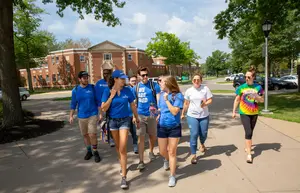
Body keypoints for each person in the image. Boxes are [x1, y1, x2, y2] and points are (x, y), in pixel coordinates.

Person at [101, 70, 140, 189]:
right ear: (116, 79)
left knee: (123, 147)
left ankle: (124, 177)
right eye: (122, 78)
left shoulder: (127, 90)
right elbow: (103, 108)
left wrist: (136, 118)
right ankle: (122, 164)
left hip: (124, 121)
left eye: (125, 78)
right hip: (113, 122)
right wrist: (112, 96)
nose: (124, 80)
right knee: (118, 147)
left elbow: (133, 105)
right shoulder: (107, 91)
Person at [232, 66, 264, 163]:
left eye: (249, 77)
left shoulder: (258, 87)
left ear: (253, 77)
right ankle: (249, 154)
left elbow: (262, 100)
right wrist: (234, 111)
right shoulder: (241, 87)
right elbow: (237, 99)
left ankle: (248, 145)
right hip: (244, 113)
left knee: (251, 131)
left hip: (254, 113)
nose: (246, 78)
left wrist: (257, 96)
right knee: (248, 132)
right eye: (245, 77)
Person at [157, 76, 184, 187]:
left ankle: (172, 176)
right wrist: (156, 114)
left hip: (174, 127)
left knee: (172, 152)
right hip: (162, 126)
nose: (160, 84)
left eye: (162, 82)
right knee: (162, 151)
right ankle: (167, 159)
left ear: (168, 83)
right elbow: (161, 109)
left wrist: (167, 100)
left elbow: (174, 112)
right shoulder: (160, 95)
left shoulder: (178, 96)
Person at [69, 71, 101, 163]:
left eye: (87, 77)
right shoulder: (75, 90)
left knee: (92, 134)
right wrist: (71, 115)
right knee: (85, 135)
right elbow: (73, 104)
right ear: (79, 79)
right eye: (84, 78)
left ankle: (95, 152)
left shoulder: (92, 88)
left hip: (92, 114)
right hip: (81, 116)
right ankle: (89, 151)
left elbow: (98, 101)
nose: (86, 79)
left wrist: (100, 113)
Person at [181, 73, 213, 164]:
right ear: (192, 81)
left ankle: (202, 143)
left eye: (198, 80)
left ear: (201, 81)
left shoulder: (205, 89)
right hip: (192, 116)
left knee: (204, 133)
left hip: (204, 115)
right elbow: (186, 103)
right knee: (194, 134)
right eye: (194, 80)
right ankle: (193, 155)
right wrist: (183, 113)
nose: (196, 81)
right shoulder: (189, 91)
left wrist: (205, 104)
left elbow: (210, 99)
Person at [133, 66, 161, 170]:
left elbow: (158, 99)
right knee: (140, 138)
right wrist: (134, 116)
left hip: (152, 115)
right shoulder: (135, 88)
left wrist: (158, 112)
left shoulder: (154, 86)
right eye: (143, 75)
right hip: (140, 115)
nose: (145, 77)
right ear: (139, 76)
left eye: (146, 75)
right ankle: (141, 161)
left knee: (153, 136)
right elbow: (133, 103)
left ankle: (151, 151)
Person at [95, 66, 115, 147]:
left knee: (110, 123)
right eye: (104, 73)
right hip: (102, 107)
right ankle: (107, 137)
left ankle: (111, 138)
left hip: (112, 106)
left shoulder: (113, 82)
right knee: (104, 123)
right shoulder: (99, 83)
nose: (105, 75)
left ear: (110, 74)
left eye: (107, 73)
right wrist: (100, 110)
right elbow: (96, 97)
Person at [128, 75, 139, 154]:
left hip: (135, 112)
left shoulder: (138, 89)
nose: (134, 82)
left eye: (135, 81)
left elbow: (136, 102)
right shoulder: (127, 89)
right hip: (126, 113)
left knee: (135, 130)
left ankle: (136, 145)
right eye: (132, 81)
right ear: (129, 82)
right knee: (129, 130)